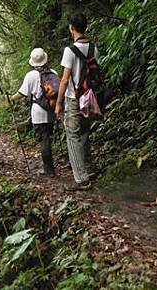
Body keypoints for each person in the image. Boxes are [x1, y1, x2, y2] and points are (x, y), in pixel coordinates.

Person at [55, 13, 98, 190]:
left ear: (72, 28)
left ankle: (81, 178)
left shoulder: (69, 51)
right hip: (89, 96)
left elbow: (65, 80)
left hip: (73, 98)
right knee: (85, 131)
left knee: (72, 135)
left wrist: (58, 103)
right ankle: (88, 167)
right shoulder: (94, 48)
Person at [7, 48, 58, 176]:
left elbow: (22, 93)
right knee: (48, 138)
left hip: (38, 113)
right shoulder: (53, 72)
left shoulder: (31, 76)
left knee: (44, 140)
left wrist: (11, 98)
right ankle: (50, 166)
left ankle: (49, 170)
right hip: (51, 111)